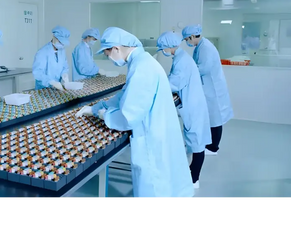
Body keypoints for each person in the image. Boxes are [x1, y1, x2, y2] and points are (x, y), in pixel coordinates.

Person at [76, 27, 194, 200]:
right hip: (160, 131)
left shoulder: (142, 68)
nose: (108, 58)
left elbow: (128, 117)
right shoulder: (141, 61)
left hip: (152, 138)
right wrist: (95, 108)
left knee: (154, 187)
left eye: (108, 53)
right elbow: (125, 95)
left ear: (116, 48)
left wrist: (104, 115)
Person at [157, 31, 212, 189]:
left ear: (169, 47)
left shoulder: (181, 61)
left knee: (196, 143)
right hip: (193, 103)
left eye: (163, 49)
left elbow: (173, 83)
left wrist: (157, 84)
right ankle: (192, 174)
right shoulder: (182, 57)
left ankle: (194, 179)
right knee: (196, 140)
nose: (163, 52)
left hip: (192, 106)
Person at [182, 24, 234, 155]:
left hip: (213, 89)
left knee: (215, 118)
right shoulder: (201, 46)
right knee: (212, 118)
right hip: (209, 86)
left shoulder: (205, 48)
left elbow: (203, 68)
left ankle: (213, 148)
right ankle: (210, 144)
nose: (187, 42)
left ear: (193, 36)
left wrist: (186, 75)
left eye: (187, 39)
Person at [33, 26, 71, 91]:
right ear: (53, 36)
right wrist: (51, 82)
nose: (62, 44)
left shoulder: (61, 51)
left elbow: (64, 66)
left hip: (56, 89)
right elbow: (38, 73)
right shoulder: (42, 52)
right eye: (60, 41)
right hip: (43, 90)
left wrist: (64, 74)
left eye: (63, 43)